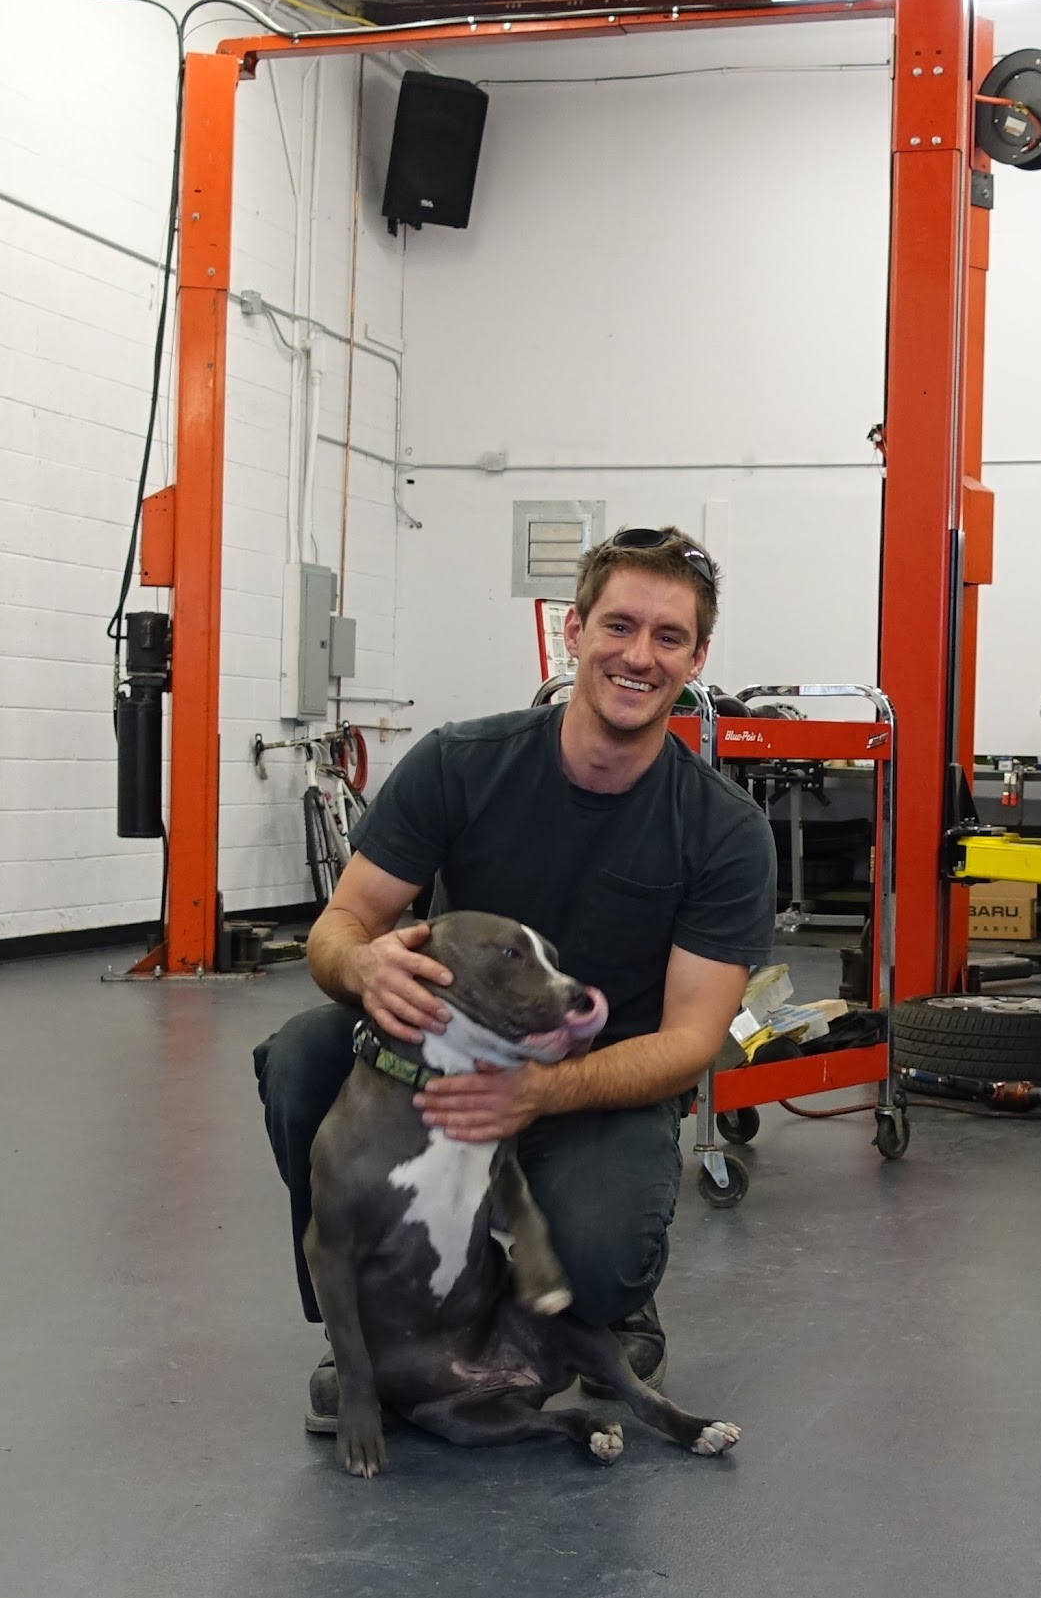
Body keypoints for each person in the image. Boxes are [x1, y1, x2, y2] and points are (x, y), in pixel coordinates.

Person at [253, 526, 777, 1429]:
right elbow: (340, 926)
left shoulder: (723, 830)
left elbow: (693, 1040)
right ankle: (367, 1327)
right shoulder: (462, 764)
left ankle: (610, 1305)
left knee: (596, 1259)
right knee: (303, 1058)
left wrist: (540, 1091)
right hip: (441, 1064)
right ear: (573, 630)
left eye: (669, 637)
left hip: (597, 1084)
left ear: (697, 659)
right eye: (619, 625)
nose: (639, 656)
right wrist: (362, 964)